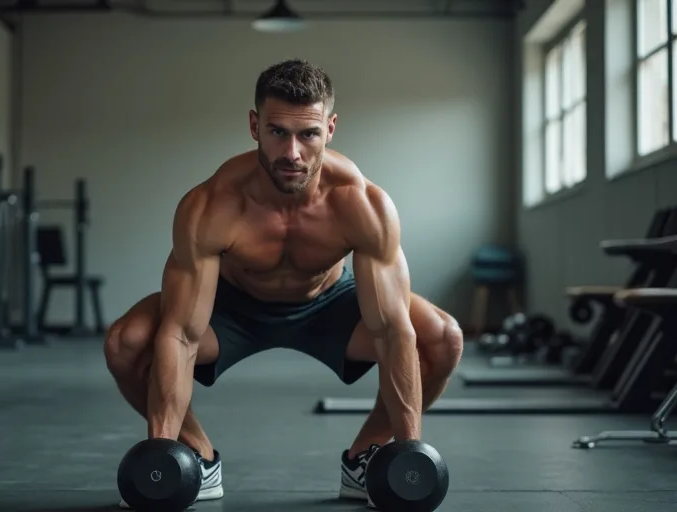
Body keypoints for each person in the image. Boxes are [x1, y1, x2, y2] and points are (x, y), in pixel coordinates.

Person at [104, 58, 464, 509]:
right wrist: (161, 452)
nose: (292, 152)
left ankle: (368, 458)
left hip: (328, 304)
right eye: (278, 132)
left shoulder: (363, 204)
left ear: (330, 129)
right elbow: (180, 333)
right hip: (233, 308)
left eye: (308, 134)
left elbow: (392, 331)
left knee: (443, 337)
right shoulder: (211, 204)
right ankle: (193, 456)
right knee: (126, 341)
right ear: (255, 125)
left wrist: (409, 456)